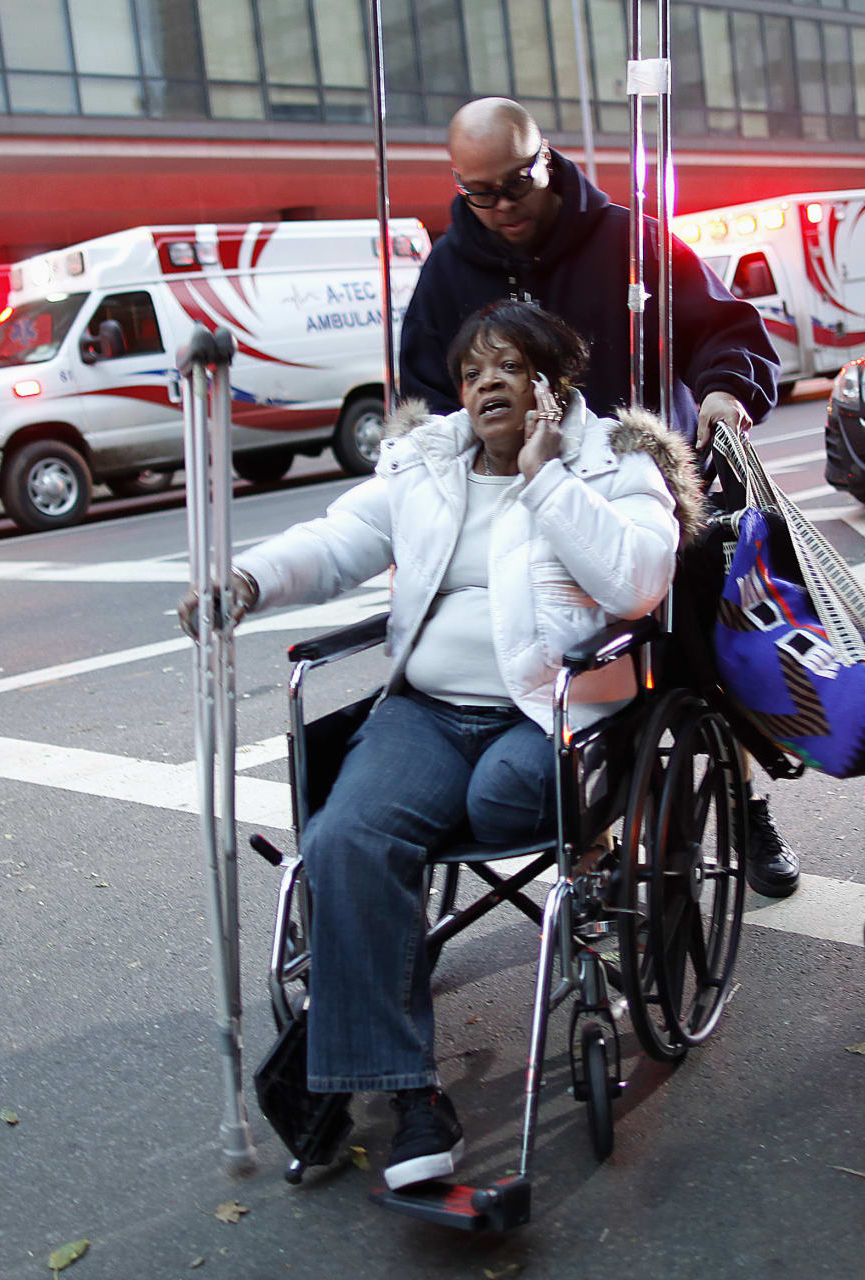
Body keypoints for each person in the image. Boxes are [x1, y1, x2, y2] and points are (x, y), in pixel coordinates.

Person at [182, 301, 703, 1190]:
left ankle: (381, 990)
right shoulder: (425, 463)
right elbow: (341, 539)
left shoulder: (616, 461)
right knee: (347, 837)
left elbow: (637, 580)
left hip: (549, 710)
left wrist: (545, 479)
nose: (485, 385)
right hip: (428, 711)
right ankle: (411, 1096)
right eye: (471, 372)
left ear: (553, 383)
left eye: (508, 367)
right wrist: (247, 580)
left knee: (500, 800)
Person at [400, 96, 800, 899]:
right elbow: (422, 388)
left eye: (516, 183)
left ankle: (746, 801)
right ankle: (594, 845)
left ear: (547, 157)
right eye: (480, 193)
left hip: (645, 491)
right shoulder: (450, 267)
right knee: (570, 673)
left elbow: (730, 330)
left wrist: (725, 392)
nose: (502, 207)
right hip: (527, 514)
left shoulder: (633, 238)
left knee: (703, 654)